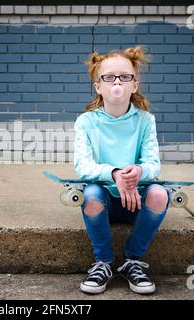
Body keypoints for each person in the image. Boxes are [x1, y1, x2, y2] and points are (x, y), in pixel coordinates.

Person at [73, 46, 170, 295]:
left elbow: (153, 164)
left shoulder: (145, 120)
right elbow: (82, 166)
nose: (117, 82)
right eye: (109, 77)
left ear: (134, 85)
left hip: (135, 199)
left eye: (125, 77)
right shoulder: (86, 122)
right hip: (103, 200)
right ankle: (103, 262)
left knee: (159, 194)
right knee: (91, 194)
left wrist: (138, 171)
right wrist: (114, 173)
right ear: (98, 86)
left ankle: (132, 261)